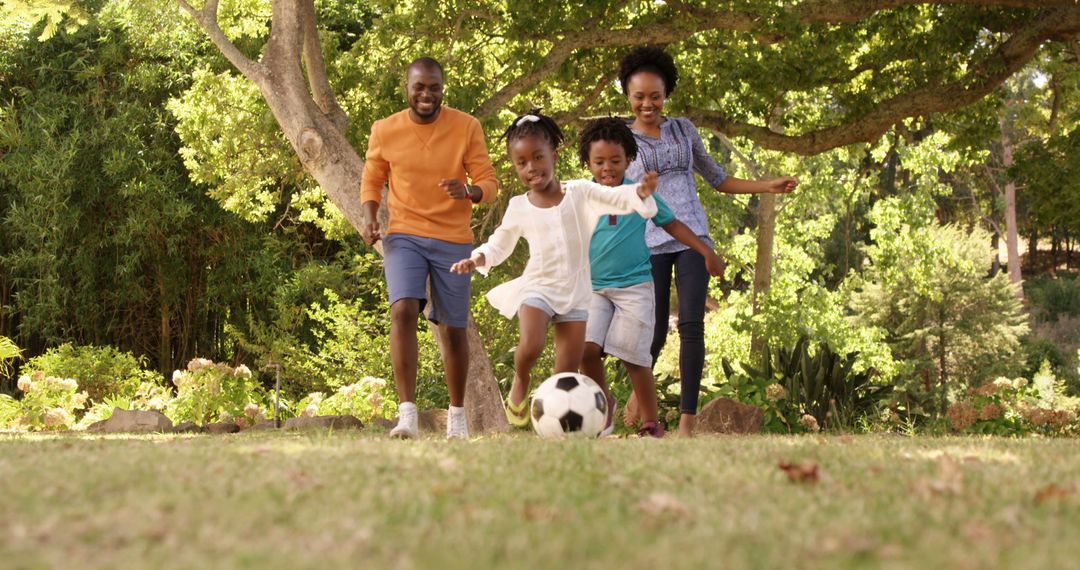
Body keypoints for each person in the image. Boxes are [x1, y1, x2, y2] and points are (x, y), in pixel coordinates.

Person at [618, 46, 798, 437]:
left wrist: (768, 185)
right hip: (647, 242)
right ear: (627, 96)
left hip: (693, 238)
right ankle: (640, 398)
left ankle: (687, 421)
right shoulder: (622, 140)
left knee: (692, 324)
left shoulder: (684, 129)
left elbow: (718, 178)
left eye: (655, 95)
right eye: (639, 96)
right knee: (653, 332)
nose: (647, 103)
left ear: (666, 94)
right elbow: (620, 194)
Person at [449, 110, 659, 429]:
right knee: (530, 346)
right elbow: (499, 243)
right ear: (515, 166)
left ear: (554, 155)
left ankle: (561, 431)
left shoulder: (580, 193)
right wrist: (477, 258)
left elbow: (616, 197)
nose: (531, 167)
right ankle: (520, 379)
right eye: (522, 163)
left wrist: (639, 193)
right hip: (539, 287)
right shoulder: (519, 206)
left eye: (538, 157)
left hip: (576, 295)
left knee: (565, 375)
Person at [359, 57, 499, 439]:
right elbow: (372, 181)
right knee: (403, 308)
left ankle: (457, 417)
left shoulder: (466, 127)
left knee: (453, 329)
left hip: (453, 238)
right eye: (419, 86)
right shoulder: (385, 130)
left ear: (442, 89)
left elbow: (488, 181)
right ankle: (407, 415)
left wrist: (469, 191)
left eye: (434, 87)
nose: (426, 94)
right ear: (406, 88)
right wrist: (371, 218)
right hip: (404, 233)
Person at [576, 118, 724, 438]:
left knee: (635, 357)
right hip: (595, 289)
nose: (607, 168)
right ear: (587, 162)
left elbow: (674, 225)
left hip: (634, 288)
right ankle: (604, 407)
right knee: (586, 350)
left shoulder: (639, 193)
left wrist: (705, 251)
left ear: (629, 159)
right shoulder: (582, 195)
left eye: (615, 161)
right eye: (599, 161)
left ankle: (650, 423)